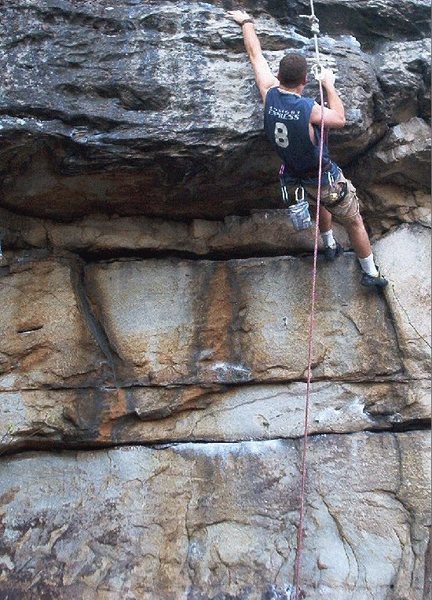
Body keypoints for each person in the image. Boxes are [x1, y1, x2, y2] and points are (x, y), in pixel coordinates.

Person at [228, 10, 388, 288]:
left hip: (293, 178)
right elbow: (339, 118)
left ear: (279, 76)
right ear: (304, 81)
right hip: (323, 177)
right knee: (354, 221)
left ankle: (328, 245)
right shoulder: (308, 109)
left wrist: (247, 23)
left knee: (318, 203)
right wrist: (328, 85)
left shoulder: (269, 94)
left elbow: (255, 56)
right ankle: (370, 273)